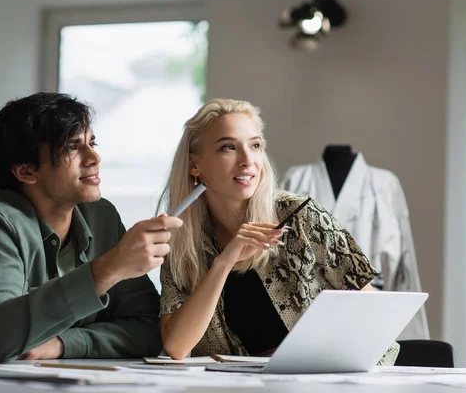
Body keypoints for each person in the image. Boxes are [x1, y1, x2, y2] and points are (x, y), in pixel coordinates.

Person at [158, 98, 399, 364]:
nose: (247, 160)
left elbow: (375, 317)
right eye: (228, 147)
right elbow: (177, 346)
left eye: (255, 145)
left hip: (326, 379)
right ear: (195, 165)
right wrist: (223, 263)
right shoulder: (181, 242)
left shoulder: (301, 218)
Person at [0, 92, 182, 362]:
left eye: (91, 142)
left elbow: (149, 330)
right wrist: (108, 268)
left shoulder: (101, 215)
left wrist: (63, 344)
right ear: (27, 172)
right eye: (72, 147)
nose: (94, 157)